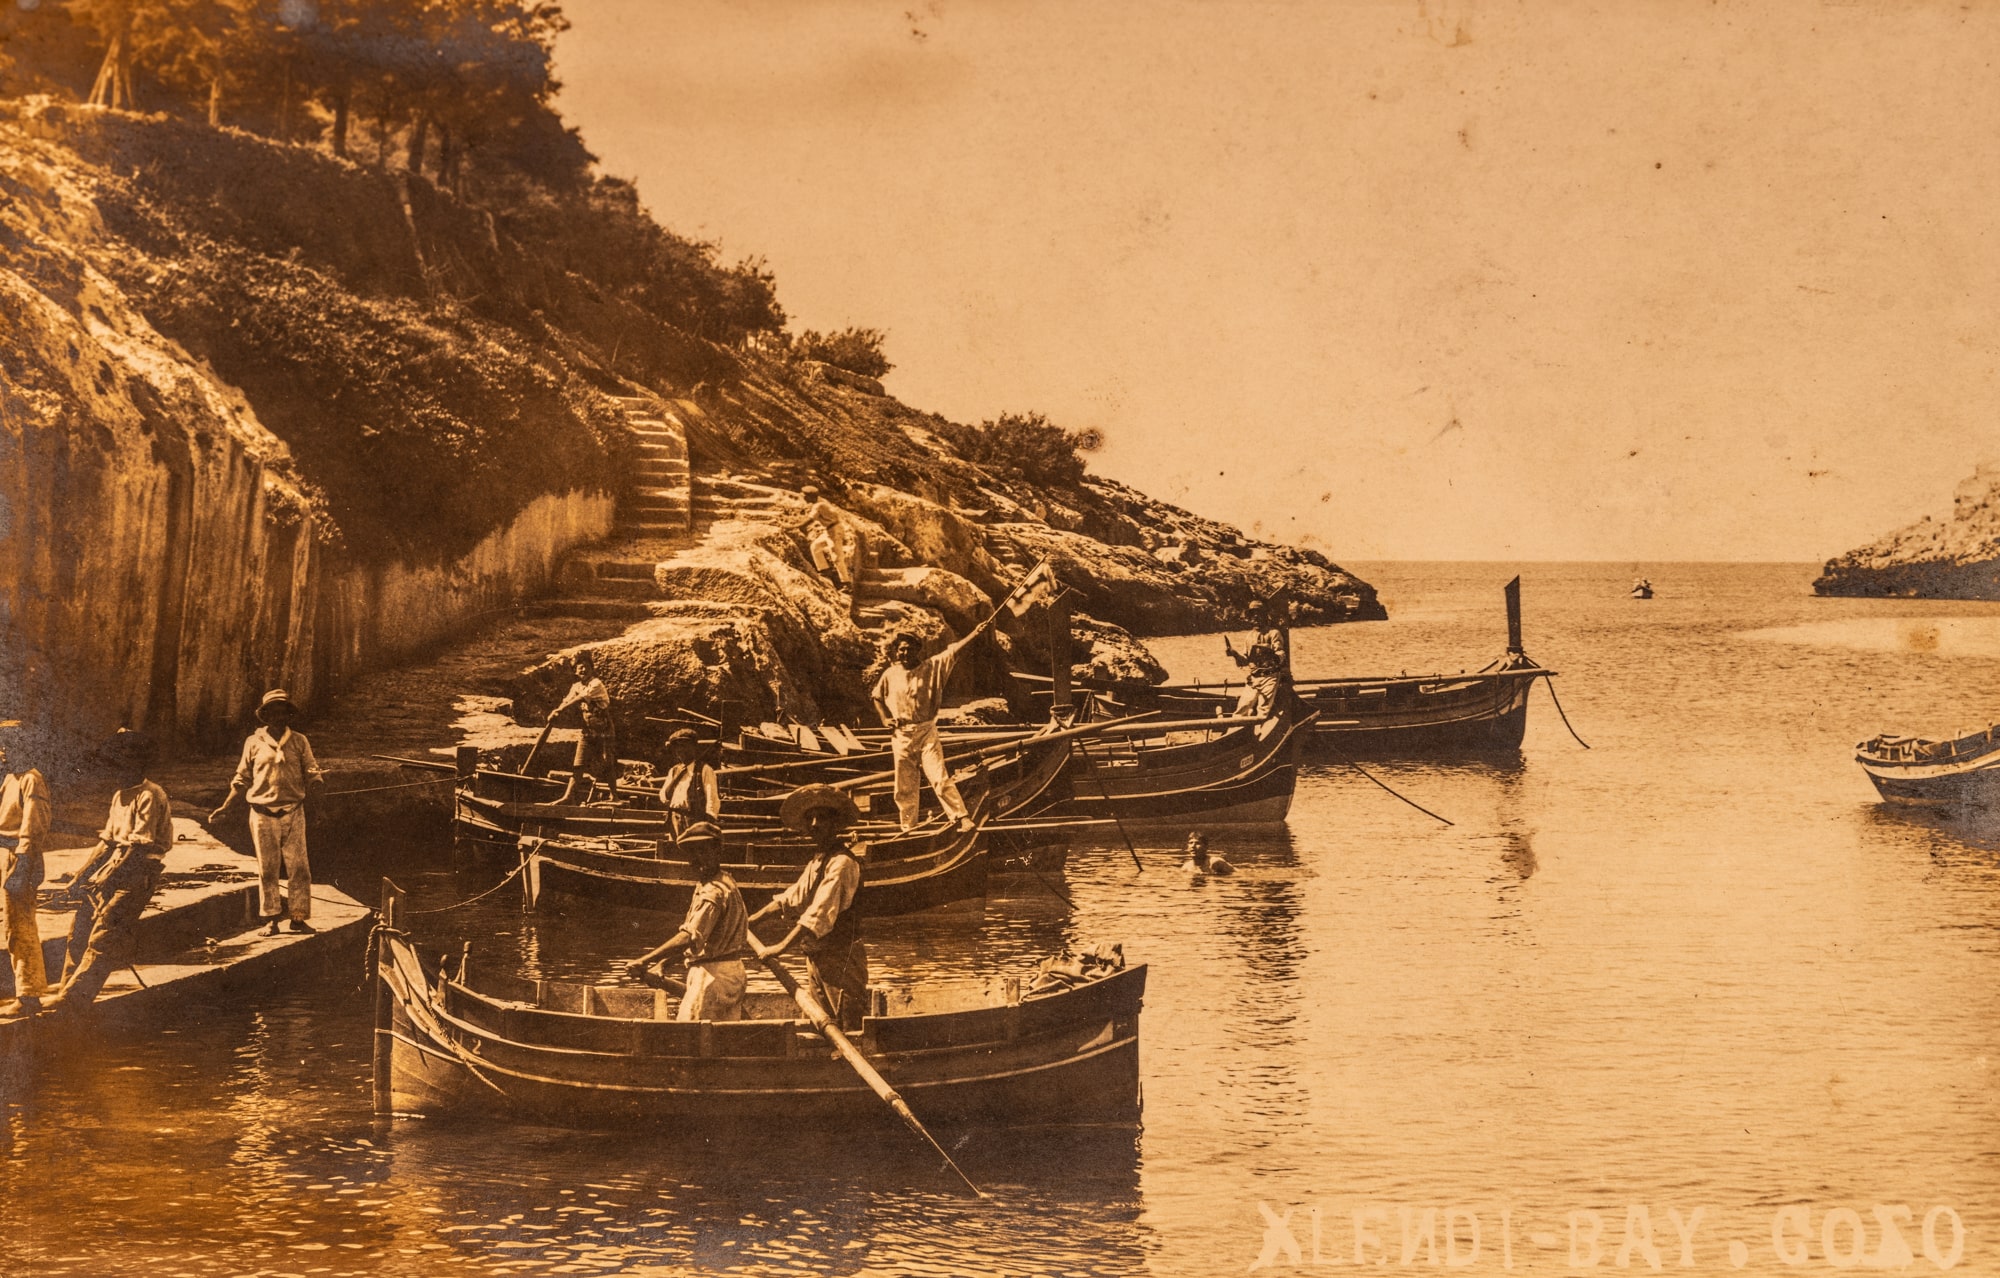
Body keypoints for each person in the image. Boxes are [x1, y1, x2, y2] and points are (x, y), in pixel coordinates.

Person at [43, 730, 171, 1016]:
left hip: (139, 871)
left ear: (138, 763)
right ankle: (66, 989)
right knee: (80, 929)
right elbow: (108, 842)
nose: (117, 768)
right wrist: (79, 878)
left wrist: (106, 879)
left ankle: (74, 1000)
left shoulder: (150, 795)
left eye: (125, 761)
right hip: (116, 865)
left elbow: (138, 848)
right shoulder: (119, 796)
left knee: (104, 935)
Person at [749, 785, 868, 1030]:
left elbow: (818, 914)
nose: (814, 824)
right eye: (810, 819)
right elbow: (791, 898)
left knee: (847, 1027)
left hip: (841, 959)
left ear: (835, 824)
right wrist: (751, 921)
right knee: (822, 1024)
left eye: (822, 818)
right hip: (817, 957)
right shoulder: (818, 860)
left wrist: (781, 946)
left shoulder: (842, 863)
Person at [210, 689, 325, 936]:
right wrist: (227, 805)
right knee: (267, 868)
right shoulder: (253, 743)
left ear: (288, 714)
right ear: (265, 715)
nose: (278, 716)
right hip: (262, 813)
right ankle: (271, 919)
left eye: (282, 711)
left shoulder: (299, 741)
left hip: (293, 811)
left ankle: (298, 917)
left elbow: (312, 773)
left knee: (299, 868)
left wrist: (318, 804)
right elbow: (241, 778)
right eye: (272, 711)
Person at [870, 619, 996, 832]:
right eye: (901, 650)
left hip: (925, 730)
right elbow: (877, 697)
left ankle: (961, 817)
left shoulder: (932, 667)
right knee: (904, 785)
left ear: (918, 650)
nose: (905, 653)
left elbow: (955, 651)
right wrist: (885, 719)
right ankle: (908, 827)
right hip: (900, 734)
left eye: (910, 649)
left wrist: (975, 632)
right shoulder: (890, 674)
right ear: (896, 651)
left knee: (938, 775)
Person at [626, 822, 748, 1022]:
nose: (696, 859)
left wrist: (644, 960)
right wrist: (663, 964)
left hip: (712, 977)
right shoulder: (725, 880)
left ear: (718, 851)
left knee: (692, 1037)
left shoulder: (713, 892)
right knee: (718, 1039)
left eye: (703, 851)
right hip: (729, 971)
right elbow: (702, 939)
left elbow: (689, 937)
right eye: (692, 852)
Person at [0, 723, 51, 1017]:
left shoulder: (32, 780)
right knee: (10, 926)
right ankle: (24, 990)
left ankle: (29, 994)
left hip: (21, 858)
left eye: (8, 745)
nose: (3, 752)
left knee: (21, 925)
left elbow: (33, 826)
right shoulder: (11, 779)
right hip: (6, 853)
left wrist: (22, 865)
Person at [548, 650, 618, 805]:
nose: (583, 670)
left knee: (607, 763)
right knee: (578, 764)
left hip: (604, 730)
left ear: (592, 669)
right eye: (580, 668)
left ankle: (615, 796)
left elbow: (580, 697)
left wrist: (561, 710)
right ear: (575, 671)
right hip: (587, 730)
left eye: (586, 667)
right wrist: (556, 711)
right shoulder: (576, 686)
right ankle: (568, 796)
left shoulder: (596, 684)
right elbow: (568, 699)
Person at [1224, 600, 1292, 718]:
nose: (1255, 617)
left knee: (1263, 710)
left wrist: (1270, 652)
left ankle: (1262, 732)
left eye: (1259, 613)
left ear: (1265, 615)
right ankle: (1238, 731)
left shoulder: (1273, 633)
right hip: (1254, 678)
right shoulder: (1249, 636)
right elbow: (1245, 660)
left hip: (1269, 677)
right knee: (1242, 708)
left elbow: (1281, 653)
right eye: (1252, 614)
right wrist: (1234, 654)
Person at [656, 728, 720, 835]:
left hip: (695, 821)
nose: (680, 750)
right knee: (675, 849)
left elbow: (712, 800)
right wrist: (678, 776)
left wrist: (707, 825)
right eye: (677, 747)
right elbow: (664, 797)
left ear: (694, 748)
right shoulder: (674, 771)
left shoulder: (704, 770)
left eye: (684, 746)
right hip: (675, 819)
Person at [795, 485, 853, 586]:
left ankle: (846, 583)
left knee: (837, 557)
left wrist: (794, 526)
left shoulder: (819, 505)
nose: (803, 498)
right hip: (830, 529)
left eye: (805, 496)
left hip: (834, 530)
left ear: (811, 497)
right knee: (815, 547)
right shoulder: (819, 501)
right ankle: (824, 570)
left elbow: (810, 519)